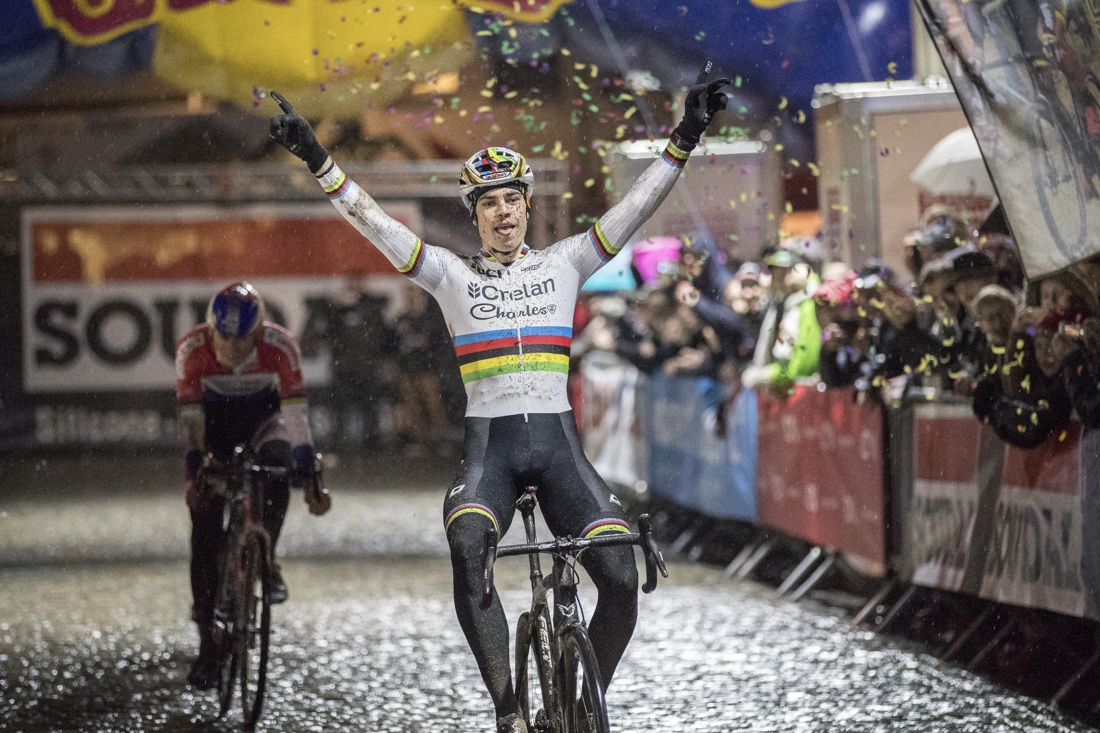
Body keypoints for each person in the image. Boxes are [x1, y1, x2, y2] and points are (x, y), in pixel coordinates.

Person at [268, 69, 730, 733]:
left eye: (513, 198)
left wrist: (687, 133)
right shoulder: (450, 276)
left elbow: (635, 210)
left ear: (525, 202)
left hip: (562, 451)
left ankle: (574, 704)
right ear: (475, 214)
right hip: (492, 454)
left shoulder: (566, 262)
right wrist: (319, 158)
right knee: (468, 545)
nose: (505, 212)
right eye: (490, 203)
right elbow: (372, 221)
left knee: (622, 580)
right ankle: (510, 709)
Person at [175, 281, 331, 690]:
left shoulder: (281, 345)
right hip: (214, 426)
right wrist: (195, 475)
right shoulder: (192, 350)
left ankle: (266, 554)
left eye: (241, 343)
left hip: (265, 420)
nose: (230, 351)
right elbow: (192, 429)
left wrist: (307, 472)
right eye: (222, 341)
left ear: (258, 332)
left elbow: (295, 416)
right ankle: (208, 644)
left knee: (277, 467)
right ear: (211, 330)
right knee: (205, 536)